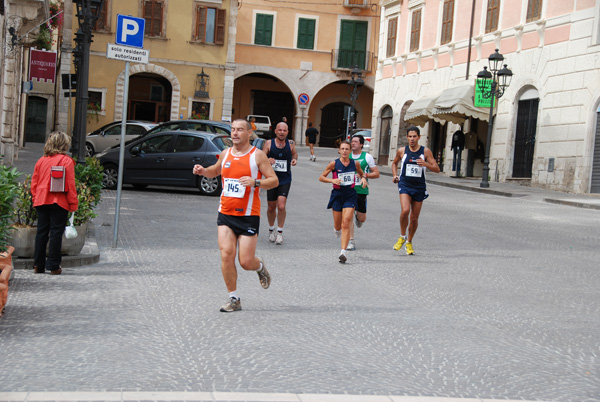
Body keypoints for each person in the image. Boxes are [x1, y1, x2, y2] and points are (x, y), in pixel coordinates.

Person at [193, 119, 279, 312]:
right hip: (225, 213)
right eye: (232, 130)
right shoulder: (225, 153)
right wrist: (202, 171)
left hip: (248, 215)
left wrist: (255, 182)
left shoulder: (257, 156)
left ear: (249, 133)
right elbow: (214, 171)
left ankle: (259, 267)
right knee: (226, 255)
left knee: (246, 261)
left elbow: (274, 180)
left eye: (240, 130)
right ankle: (234, 299)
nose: (235, 133)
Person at [31, 131, 79, 275]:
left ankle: (38, 265)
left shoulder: (41, 160)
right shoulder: (66, 161)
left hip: (41, 199)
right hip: (59, 200)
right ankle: (53, 265)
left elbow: (34, 182)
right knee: (56, 233)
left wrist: (35, 197)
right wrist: (73, 204)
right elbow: (70, 185)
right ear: (63, 144)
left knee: (41, 232)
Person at [391, 126, 440, 255]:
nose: (412, 139)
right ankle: (402, 236)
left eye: (414, 136)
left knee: (414, 218)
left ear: (419, 137)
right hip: (405, 184)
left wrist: (426, 164)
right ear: (407, 137)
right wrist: (395, 175)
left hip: (419, 187)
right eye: (410, 136)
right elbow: (394, 163)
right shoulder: (402, 151)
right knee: (405, 211)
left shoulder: (426, 152)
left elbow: (437, 169)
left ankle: (409, 241)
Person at [319, 140, 366, 263]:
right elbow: (321, 177)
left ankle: (343, 252)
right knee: (338, 225)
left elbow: (361, 174)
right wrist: (332, 181)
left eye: (347, 149)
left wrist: (364, 179)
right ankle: (336, 229)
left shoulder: (355, 164)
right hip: (337, 195)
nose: (344, 151)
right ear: (339, 150)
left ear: (350, 151)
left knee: (346, 222)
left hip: (350, 195)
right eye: (342, 149)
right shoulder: (334, 164)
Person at [262, 122, 297, 245]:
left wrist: (294, 160)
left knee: (281, 206)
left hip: (285, 179)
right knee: (271, 207)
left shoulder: (291, 144)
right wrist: (267, 160)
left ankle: (280, 232)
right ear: (276, 131)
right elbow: (260, 158)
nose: (282, 132)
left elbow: (294, 154)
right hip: (271, 178)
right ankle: (271, 230)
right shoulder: (269, 143)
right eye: (280, 130)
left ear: (287, 132)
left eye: (284, 130)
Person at [347, 134, 380, 251]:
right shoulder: (347, 155)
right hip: (348, 189)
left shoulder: (367, 157)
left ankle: (359, 217)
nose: (353, 143)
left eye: (356, 142)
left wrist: (364, 175)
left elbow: (376, 173)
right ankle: (350, 241)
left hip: (361, 190)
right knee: (348, 215)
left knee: (361, 219)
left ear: (361, 144)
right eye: (352, 141)